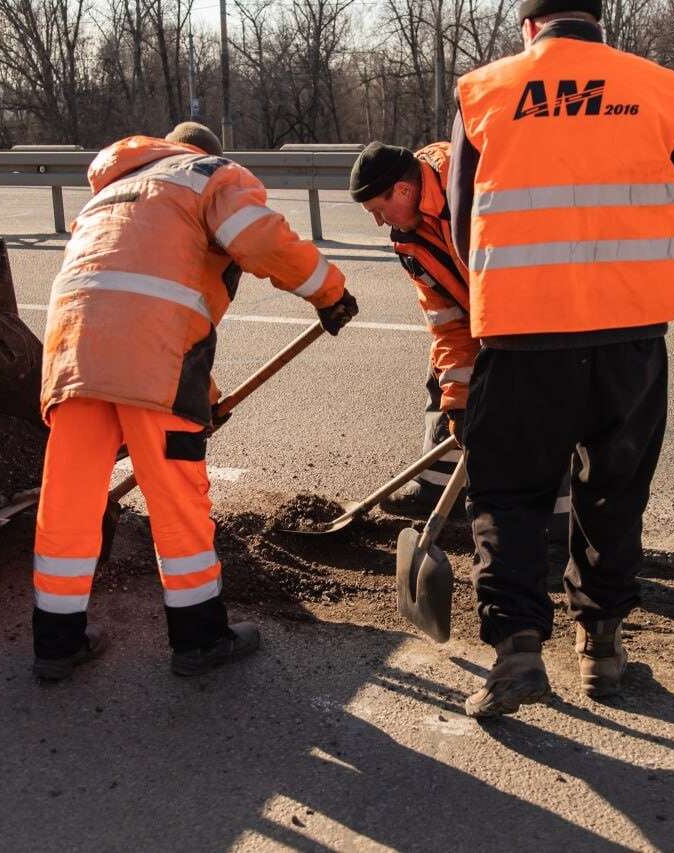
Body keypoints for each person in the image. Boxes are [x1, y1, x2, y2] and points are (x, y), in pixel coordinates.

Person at [446, 0, 674, 716]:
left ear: (528, 27)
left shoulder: (485, 90)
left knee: (510, 492)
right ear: (599, 22)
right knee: (615, 491)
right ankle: (604, 650)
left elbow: (462, 218)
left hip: (524, 330)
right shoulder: (656, 84)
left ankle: (518, 654)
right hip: (630, 334)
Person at [32, 122, 359, 681]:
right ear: (206, 153)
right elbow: (257, 240)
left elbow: (148, 295)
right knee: (176, 498)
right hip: (152, 363)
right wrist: (329, 291)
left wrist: (202, 400)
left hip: (72, 354)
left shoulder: (114, 189)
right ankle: (200, 638)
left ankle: (57, 644)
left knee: (70, 499)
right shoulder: (209, 174)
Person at [348, 141, 474, 514]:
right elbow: (446, 322)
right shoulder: (409, 243)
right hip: (476, 318)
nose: (378, 222)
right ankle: (437, 492)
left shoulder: (466, 188)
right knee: (445, 382)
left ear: (402, 190)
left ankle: (557, 517)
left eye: (378, 210)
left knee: (534, 407)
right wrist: (459, 403)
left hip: (533, 316)